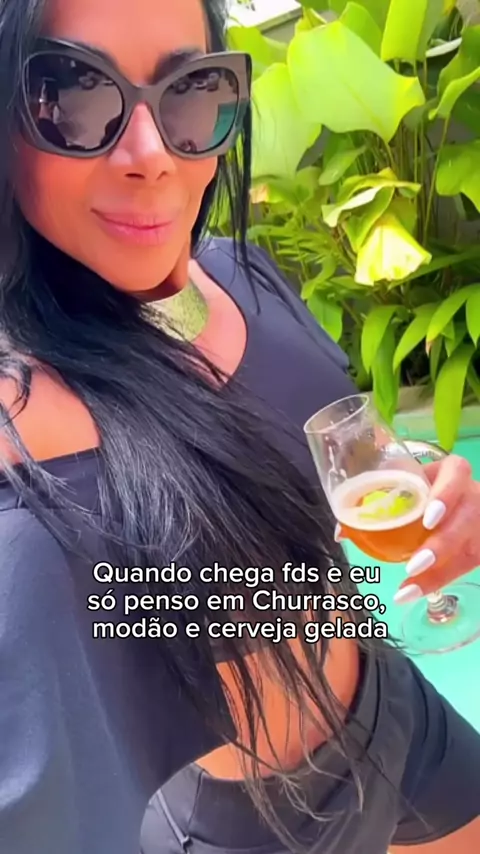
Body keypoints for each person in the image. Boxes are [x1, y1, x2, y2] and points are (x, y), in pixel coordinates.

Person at [0, 0, 479, 853]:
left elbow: (333, 458)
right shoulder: (32, 449)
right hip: (269, 819)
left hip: (392, 700)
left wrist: (431, 485)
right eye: (71, 94)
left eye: (191, 92)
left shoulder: (239, 273)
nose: (152, 154)